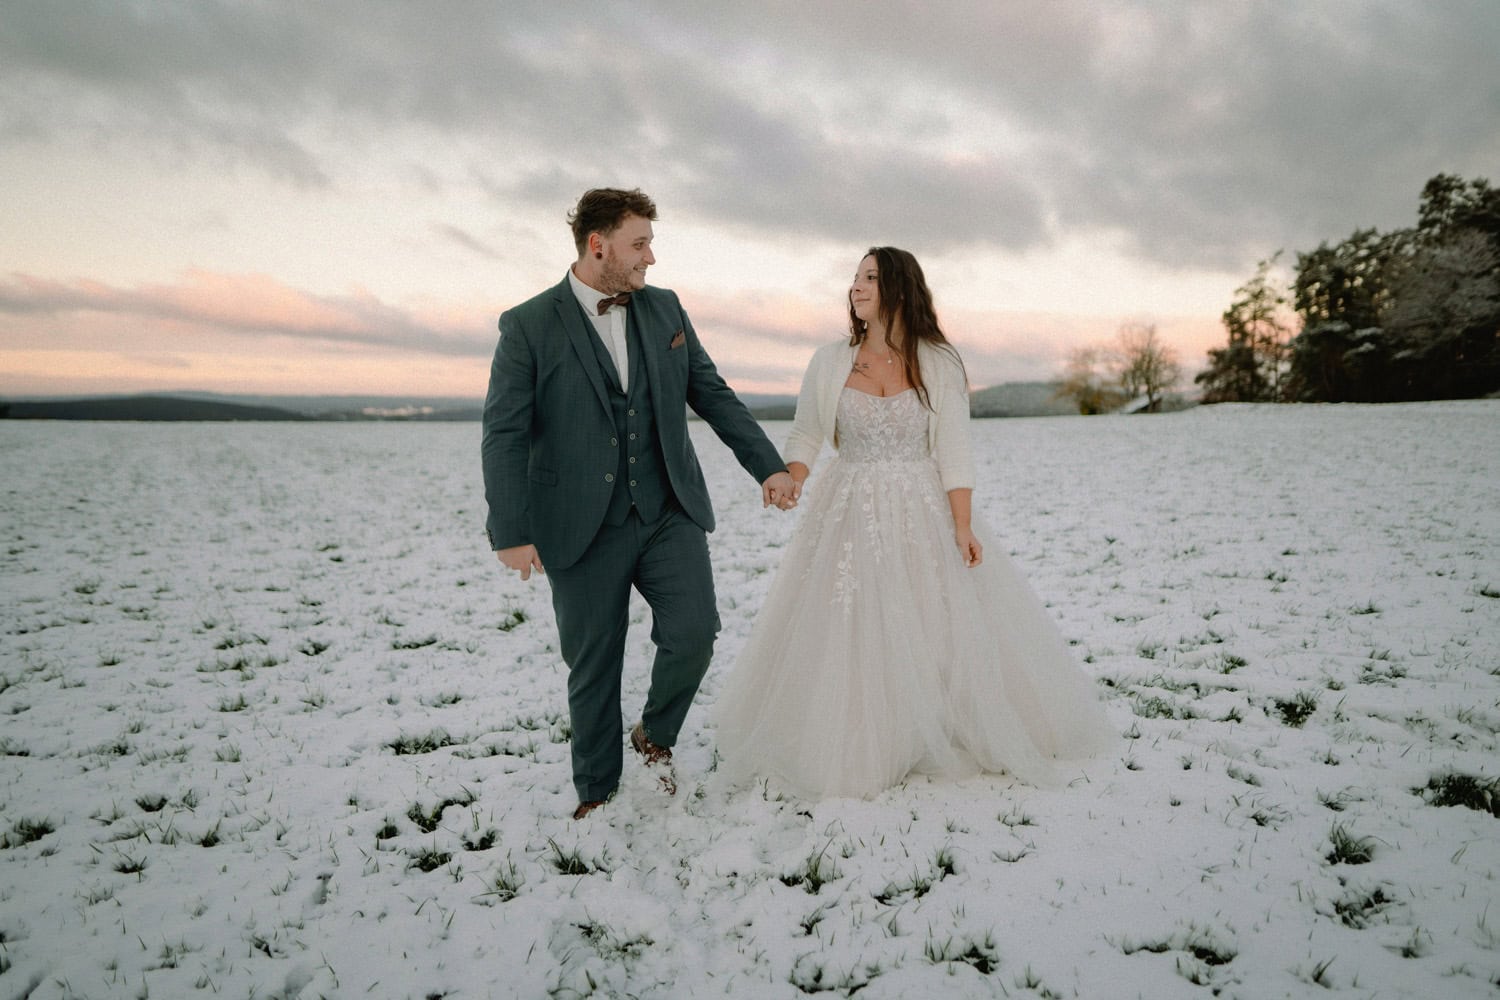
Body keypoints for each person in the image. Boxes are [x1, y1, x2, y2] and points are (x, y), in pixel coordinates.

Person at [714, 246, 1113, 799]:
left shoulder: (940, 362)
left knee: (930, 616)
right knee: (855, 619)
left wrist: (963, 525)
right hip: (850, 506)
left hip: (922, 506)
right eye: (855, 278)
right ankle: (865, 731)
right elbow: (806, 433)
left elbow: (955, 447)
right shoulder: (830, 360)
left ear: (901, 288)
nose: (857, 287)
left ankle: (939, 721)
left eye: (871, 278)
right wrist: (793, 477)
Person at [482, 187, 798, 820]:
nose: (651, 257)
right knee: (594, 662)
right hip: (577, 522)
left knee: (694, 633)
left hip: (667, 510)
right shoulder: (527, 325)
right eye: (640, 244)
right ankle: (596, 790)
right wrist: (511, 530)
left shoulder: (665, 308)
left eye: (650, 243)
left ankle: (655, 734)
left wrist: (767, 465)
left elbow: (711, 393)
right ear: (598, 245)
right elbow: (504, 432)